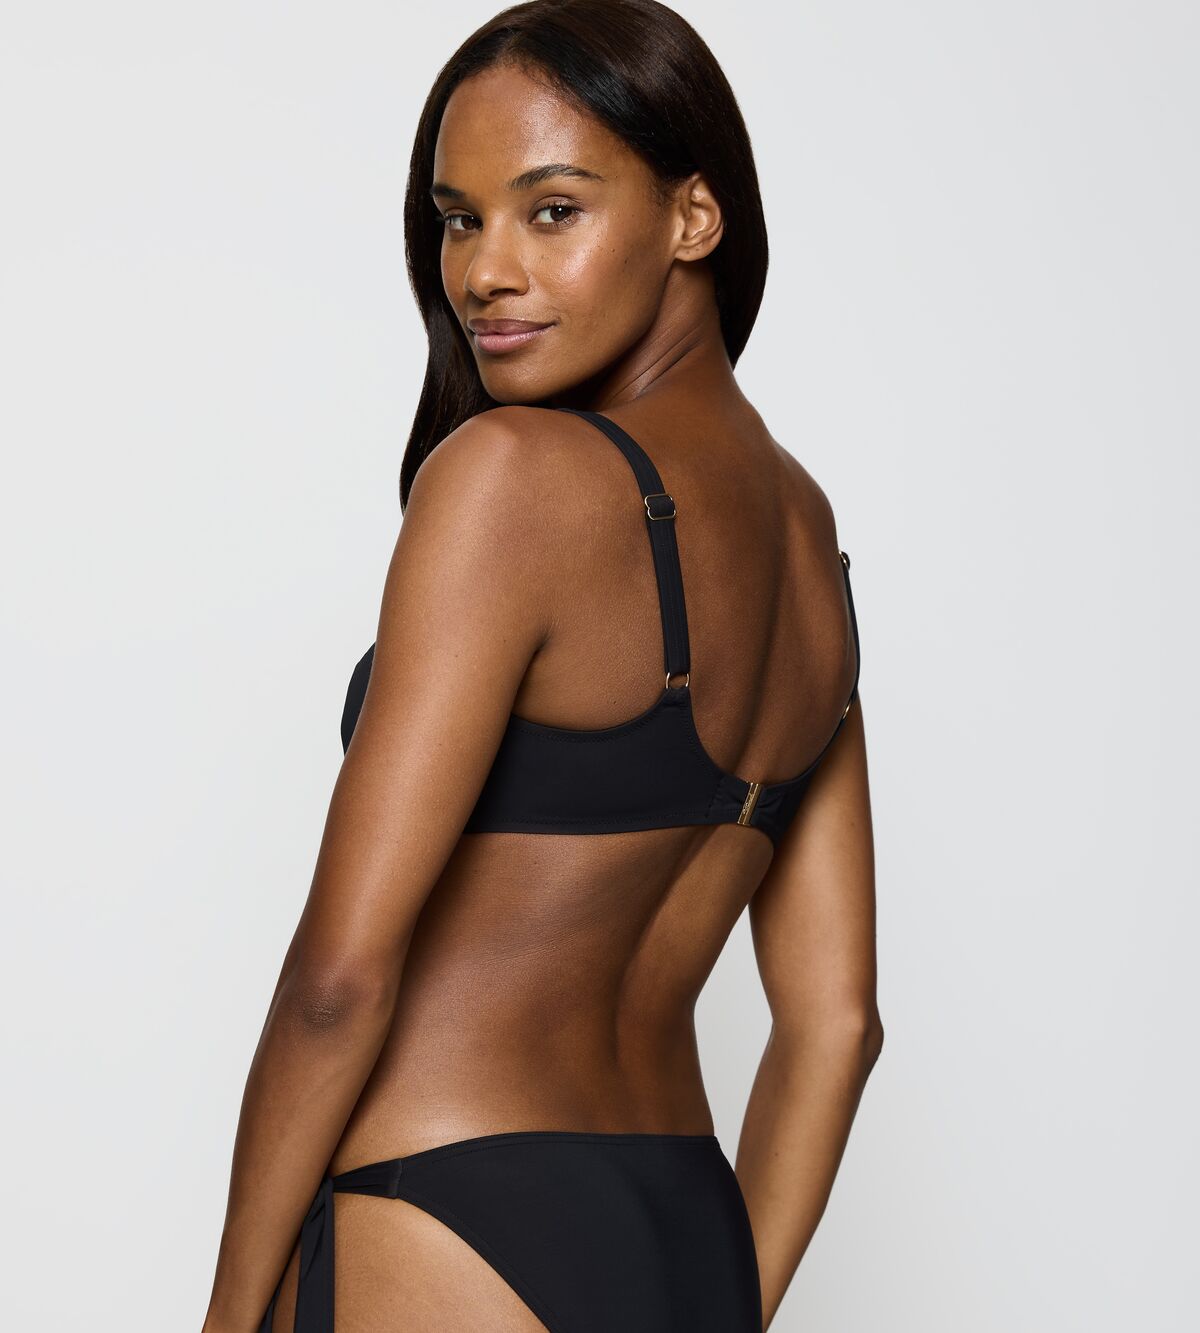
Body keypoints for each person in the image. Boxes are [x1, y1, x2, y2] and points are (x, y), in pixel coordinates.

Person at [202, 2, 883, 1329]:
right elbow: (837, 1022)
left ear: (695, 217)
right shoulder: (810, 542)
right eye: (459, 220)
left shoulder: (510, 479)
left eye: (551, 210)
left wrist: (229, 1319)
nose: (484, 272)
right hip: (685, 1230)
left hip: (446, 1211)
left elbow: (340, 978)